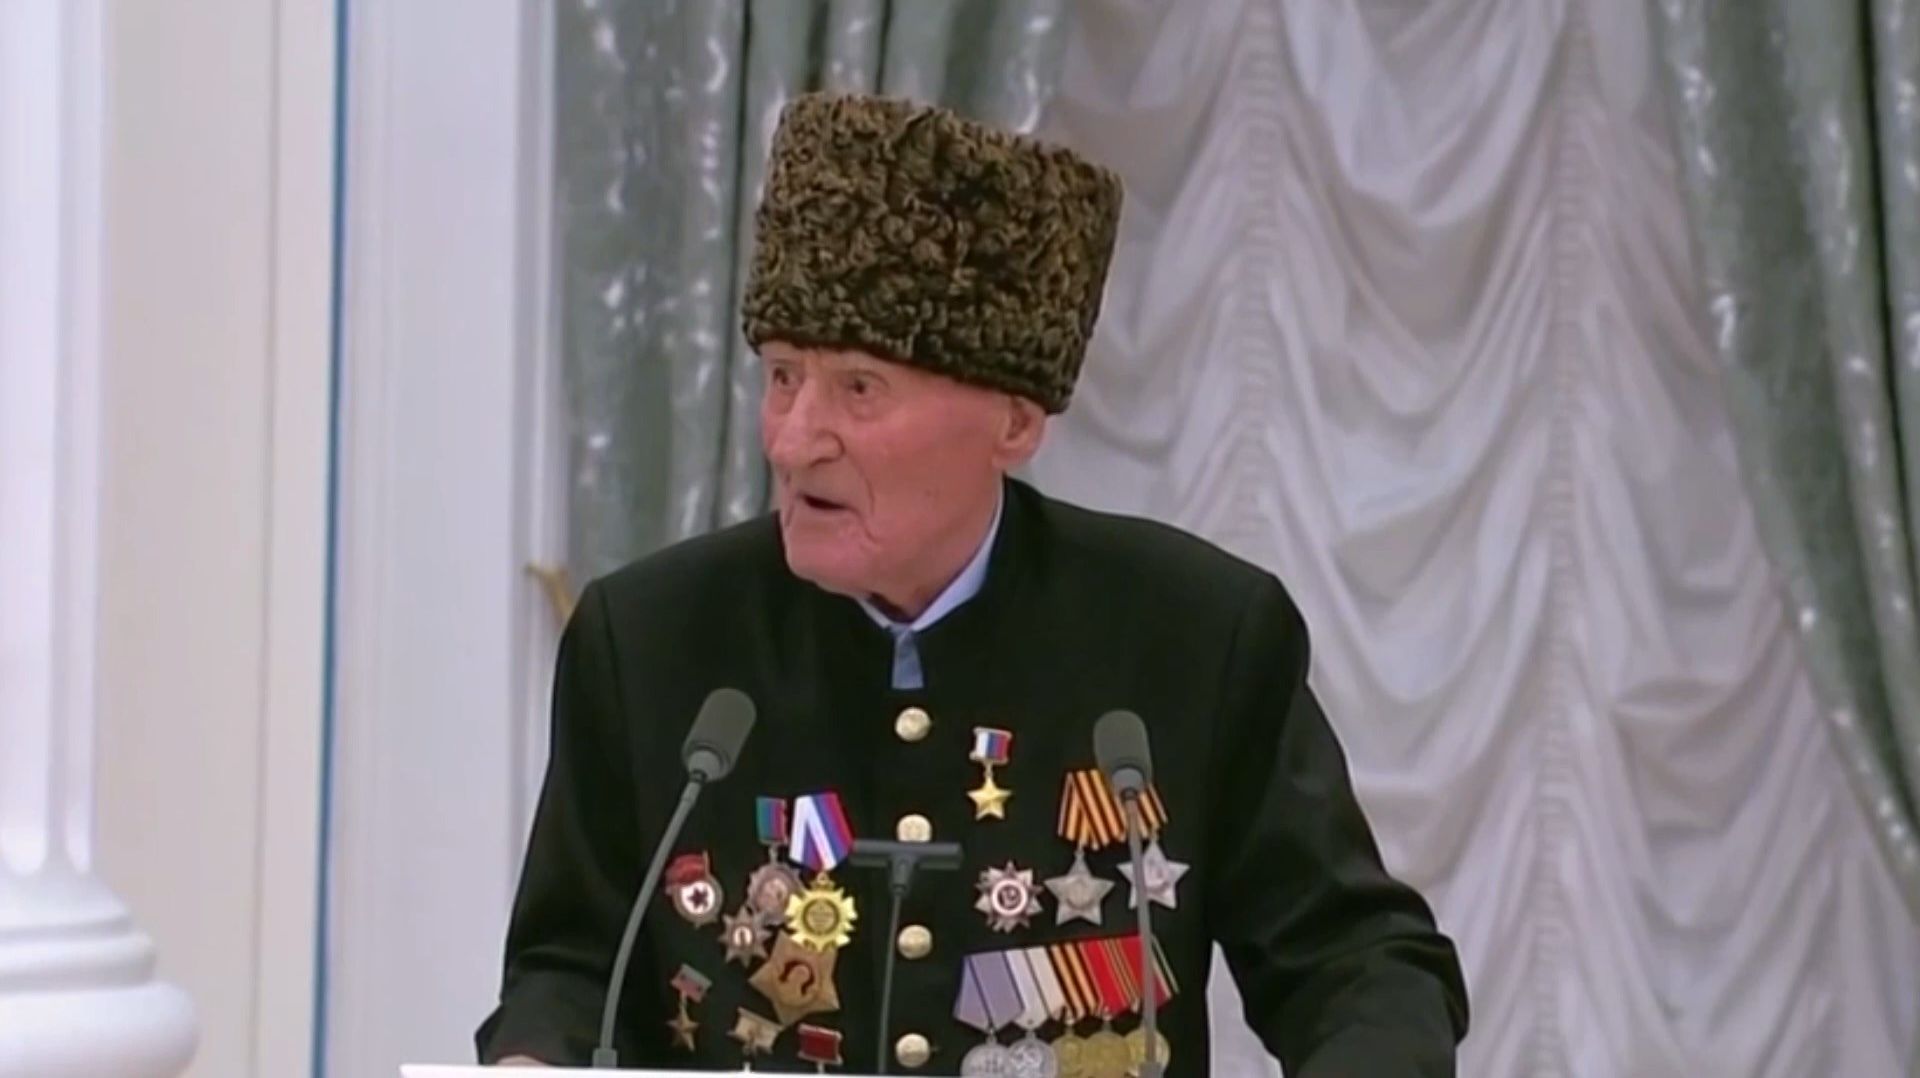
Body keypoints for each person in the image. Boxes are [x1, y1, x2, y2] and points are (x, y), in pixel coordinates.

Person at [477, 91, 1468, 1076]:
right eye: (782, 376)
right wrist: (534, 1057)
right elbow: (571, 967)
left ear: (1015, 423)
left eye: (858, 388)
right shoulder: (649, 639)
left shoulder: (1194, 635)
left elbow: (1357, 964)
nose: (793, 439)